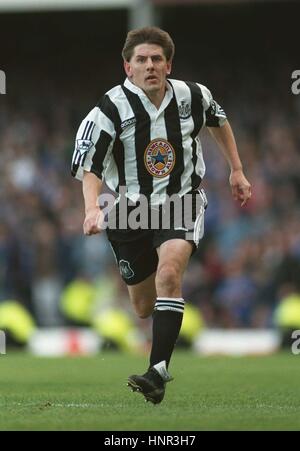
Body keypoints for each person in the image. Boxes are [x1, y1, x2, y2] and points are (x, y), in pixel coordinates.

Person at [71, 26, 251, 404]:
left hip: (180, 201)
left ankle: (157, 371)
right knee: (142, 306)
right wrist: (91, 209)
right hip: (129, 211)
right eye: (141, 60)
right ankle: (161, 334)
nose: (149, 65)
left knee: (170, 273)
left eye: (156, 59)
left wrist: (236, 169)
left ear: (168, 65)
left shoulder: (194, 95)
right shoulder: (109, 108)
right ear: (127, 67)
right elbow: (91, 167)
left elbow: (218, 120)